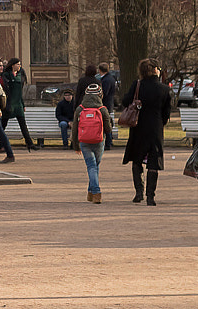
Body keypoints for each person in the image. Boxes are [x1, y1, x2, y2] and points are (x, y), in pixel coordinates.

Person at [121, 58, 173, 206]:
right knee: (153, 161)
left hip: (138, 126)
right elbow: (166, 111)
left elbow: (125, 101)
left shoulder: (137, 85)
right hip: (155, 127)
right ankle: (151, 196)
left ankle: (138, 192)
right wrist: (160, 122)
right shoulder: (164, 89)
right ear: (155, 69)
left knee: (137, 159)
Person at [74, 83, 110, 202]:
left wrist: (75, 145)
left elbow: (75, 128)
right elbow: (108, 129)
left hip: (84, 141)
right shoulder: (102, 109)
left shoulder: (80, 109)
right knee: (95, 166)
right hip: (99, 141)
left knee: (91, 166)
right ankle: (96, 192)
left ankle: (91, 192)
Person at [1, 57, 34, 151]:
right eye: (17, 64)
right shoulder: (6, 75)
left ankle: (30, 144)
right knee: (3, 125)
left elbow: (20, 92)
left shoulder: (20, 74)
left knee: (23, 124)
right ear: (13, 65)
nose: (19, 66)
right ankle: (0, 144)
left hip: (18, 103)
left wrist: (23, 105)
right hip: (9, 103)